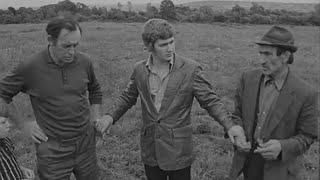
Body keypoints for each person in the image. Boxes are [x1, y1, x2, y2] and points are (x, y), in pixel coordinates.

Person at [95, 18, 245, 180]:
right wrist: (109, 117)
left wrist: (230, 126)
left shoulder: (190, 69)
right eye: (163, 45)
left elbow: (211, 101)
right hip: (150, 147)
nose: (170, 48)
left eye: (171, 42)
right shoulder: (139, 70)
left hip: (178, 150)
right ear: (149, 47)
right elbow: (128, 97)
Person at [0, 17, 102, 180]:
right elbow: (2, 94)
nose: (72, 52)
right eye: (66, 46)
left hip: (86, 144)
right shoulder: (30, 67)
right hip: (53, 151)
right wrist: (23, 124)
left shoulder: (84, 61)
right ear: (50, 40)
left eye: (76, 45)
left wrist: (96, 117)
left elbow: (95, 89)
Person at [229, 26, 318, 180]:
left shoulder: (306, 93)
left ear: (285, 56)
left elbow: (308, 135)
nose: (261, 60)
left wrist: (282, 147)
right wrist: (239, 133)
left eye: (268, 54)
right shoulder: (247, 79)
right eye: (260, 53)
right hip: (247, 162)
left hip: (279, 171)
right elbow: (237, 114)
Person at [0, 107, 34, 180]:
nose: (9, 124)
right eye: (3, 122)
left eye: (8, 121)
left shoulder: (6, 141)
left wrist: (21, 169)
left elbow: (9, 162)